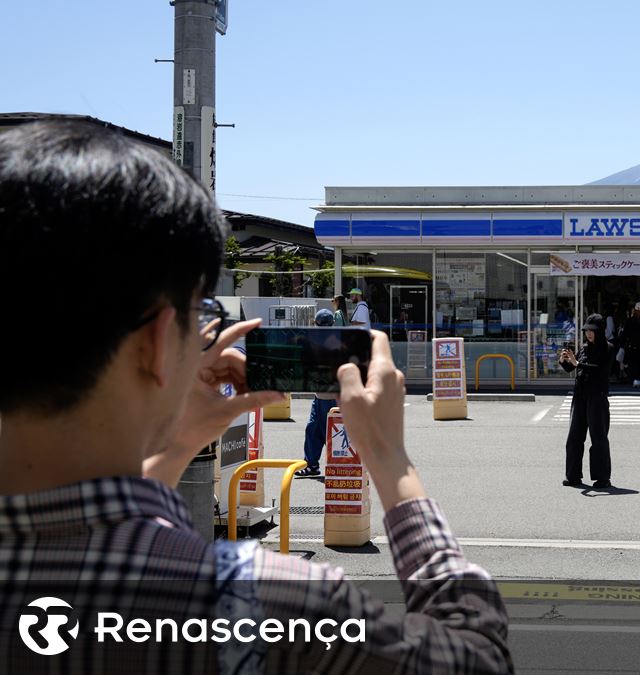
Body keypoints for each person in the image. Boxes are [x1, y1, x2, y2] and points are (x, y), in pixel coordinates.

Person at [0, 121, 512, 672]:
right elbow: (477, 658)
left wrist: (177, 447)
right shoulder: (267, 604)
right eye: (202, 315)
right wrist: (390, 460)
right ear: (154, 342)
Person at [560, 314, 613, 489]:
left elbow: (600, 370)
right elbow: (574, 367)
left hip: (597, 396)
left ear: (600, 331)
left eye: (592, 331)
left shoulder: (607, 348)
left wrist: (577, 364)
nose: (589, 334)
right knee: (574, 436)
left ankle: (602, 478)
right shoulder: (584, 348)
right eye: (587, 331)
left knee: (598, 438)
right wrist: (565, 361)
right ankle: (573, 475)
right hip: (580, 395)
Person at [296, 308, 339, 478]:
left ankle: (340, 466)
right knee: (313, 429)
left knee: (332, 432)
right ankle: (312, 465)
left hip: (331, 397)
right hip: (320, 396)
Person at [622, 301, 640, 387]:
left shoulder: (630, 321)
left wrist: (622, 344)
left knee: (634, 362)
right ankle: (637, 379)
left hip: (633, 345)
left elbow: (625, 334)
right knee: (637, 362)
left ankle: (635, 379)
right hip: (639, 345)